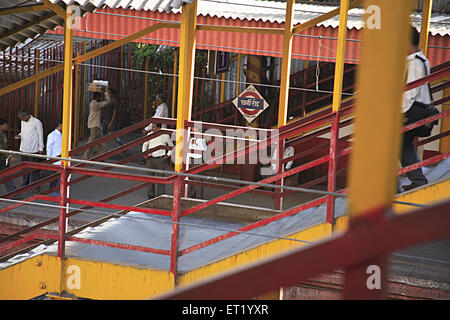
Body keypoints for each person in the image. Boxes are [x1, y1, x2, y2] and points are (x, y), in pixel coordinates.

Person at [400, 27, 431, 191]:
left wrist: (398, 113)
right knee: (403, 144)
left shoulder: (414, 63)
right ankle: (417, 178)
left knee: (395, 143)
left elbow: (410, 92)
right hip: (417, 109)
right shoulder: (423, 59)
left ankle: (417, 178)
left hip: (411, 110)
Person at [142, 123, 174, 199]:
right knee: (149, 177)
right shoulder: (149, 134)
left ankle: (160, 195)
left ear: (159, 128)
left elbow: (171, 146)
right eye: (152, 127)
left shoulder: (165, 136)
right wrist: (144, 153)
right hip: (150, 158)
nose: (152, 129)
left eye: (154, 127)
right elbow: (145, 144)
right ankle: (150, 194)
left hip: (160, 159)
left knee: (160, 178)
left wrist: (168, 155)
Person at [15, 110, 44, 190]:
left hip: (33, 149)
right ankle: (25, 183)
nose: (22, 120)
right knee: (24, 169)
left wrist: (40, 148)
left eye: (22, 118)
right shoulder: (23, 122)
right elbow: (23, 132)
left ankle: (35, 186)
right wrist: (19, 135)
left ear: (27, 116)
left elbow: (40, 134)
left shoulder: (36, 122)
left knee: (34, 170)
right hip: (23, 148)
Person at [82, 89, 111, 160]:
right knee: (92, 142)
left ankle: (100, 156)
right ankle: (86, 157)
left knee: (101, 142)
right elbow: (108, 101)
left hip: (95, 125)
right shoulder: (95, 104)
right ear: (98, 97)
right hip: (94, 126)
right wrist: (105, 93)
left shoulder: (93, 103)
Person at [0, 119, 17, 194]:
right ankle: (13, 193)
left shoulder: (2, 133)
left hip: (3, 158)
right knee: (7, 175)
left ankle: (13, 192)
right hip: (2, 158)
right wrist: (10, 156)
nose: (7, 126)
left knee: (6, 175)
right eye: (5, 125)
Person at [46, 120, 62, 196]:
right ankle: (52, 191)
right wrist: (49, 160)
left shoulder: (62, 135)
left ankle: (55, 191)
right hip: (55, 160)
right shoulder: (52, 135)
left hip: (61, 160)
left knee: (59, 177)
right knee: (55, 178)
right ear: (59, 125)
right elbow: (49, 148)